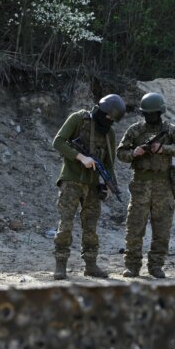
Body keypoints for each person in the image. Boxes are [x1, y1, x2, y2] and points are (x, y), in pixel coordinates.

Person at [116, 92, 175, 278]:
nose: (150, 117)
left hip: (163, 185)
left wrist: (163, 149)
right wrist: (135, 152)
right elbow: (120, 153)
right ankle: (132, 265)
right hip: (140, 183)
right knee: (135, 227)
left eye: (153, 113)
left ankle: (156, 266)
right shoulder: (135, 130)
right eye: (147, 113)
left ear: (160, 112)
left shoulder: (169, 129)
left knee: (162, 228)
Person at [50, 94, 125, 280]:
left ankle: (91, 265)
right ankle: (61, 265)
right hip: (71, 180)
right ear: (102, 110)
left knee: (91, 227)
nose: (108, 121)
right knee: (66, 224)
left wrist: (109, 186)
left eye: (112, 120)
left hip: (92, 185)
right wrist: (80, 157)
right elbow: (58, 142)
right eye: (108, 117)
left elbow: (108, 164)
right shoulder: (78, 119)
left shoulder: (109, 133)